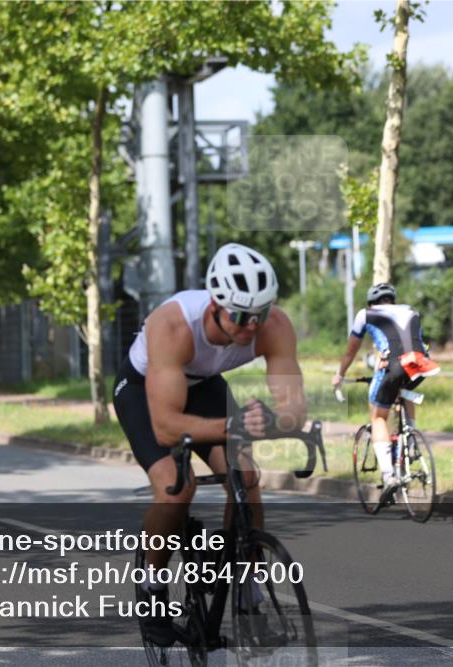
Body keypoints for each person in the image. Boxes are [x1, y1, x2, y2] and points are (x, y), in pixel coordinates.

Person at [113, 243, 306, 647]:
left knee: (247, 475)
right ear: (215, 305)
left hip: (204, 386)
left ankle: (249, 597)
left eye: (260, 314)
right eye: (240, 315)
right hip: (144, 390)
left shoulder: (273, 326)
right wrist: (235, 424)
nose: (250, 326)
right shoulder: (173, 325)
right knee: (176, 485)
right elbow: (167, 428)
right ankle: (152, 587)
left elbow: (294, 408)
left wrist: (276, 419)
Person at [331, 282, 440, 504]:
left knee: (378, 417)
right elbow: (415, 342)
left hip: (393, 366)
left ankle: (389, 476)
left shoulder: (366, 314)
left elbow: (351, 349)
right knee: (405, 391)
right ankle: (410, 441)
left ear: (371, 302)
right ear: (392, 299)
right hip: (421, 365)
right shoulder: (410, 310)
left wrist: (340, 375)